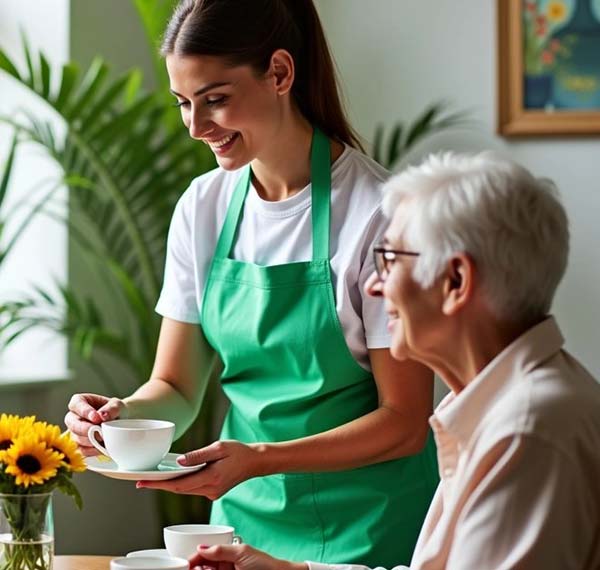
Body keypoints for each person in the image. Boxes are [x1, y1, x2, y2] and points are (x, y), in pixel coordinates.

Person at [64, 0, 439, 567]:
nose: (195, 127)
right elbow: (177, 385)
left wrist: (260, 457)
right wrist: (121, 417)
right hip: (240, 529)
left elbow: (405, 422)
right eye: (184, 104)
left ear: (281, 74)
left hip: (366, 531)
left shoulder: (380, 213)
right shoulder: (203, 207)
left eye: (215, 99)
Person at [188, 151, 600, 570]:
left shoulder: (528, 431)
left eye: (389, 260)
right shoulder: (504, 408)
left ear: (456, 281)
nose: (371, 285)